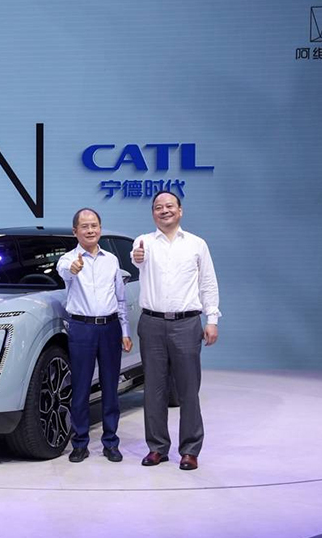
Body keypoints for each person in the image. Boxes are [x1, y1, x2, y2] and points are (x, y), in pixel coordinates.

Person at [132, 191, 220, 471]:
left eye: (169, 206)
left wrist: (212, 319)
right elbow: (137, 260)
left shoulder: (196, 244)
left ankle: (190, 450)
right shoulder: (143, 243)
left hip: (186, 323)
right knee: (153, 390)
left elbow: (208, 283)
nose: (164, 210)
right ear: (153, 213)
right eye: (158, 207)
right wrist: (137, 257)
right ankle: (157, 448)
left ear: (180, 211)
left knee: (188, 390)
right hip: (152, 323)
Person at [56, 208, 133, 463]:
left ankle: (111, 442)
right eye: (85, 226)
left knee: (111, 387)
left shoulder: (111, 260)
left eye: (94, 225)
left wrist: (124, 331)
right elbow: (66, 271)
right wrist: (75, 268)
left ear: (100, 228)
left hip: (110, 328)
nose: (90, 230)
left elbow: (120, 298)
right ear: (75, 231)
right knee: (80, 388)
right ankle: (80, 443)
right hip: (82, 328)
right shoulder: (67, 259)